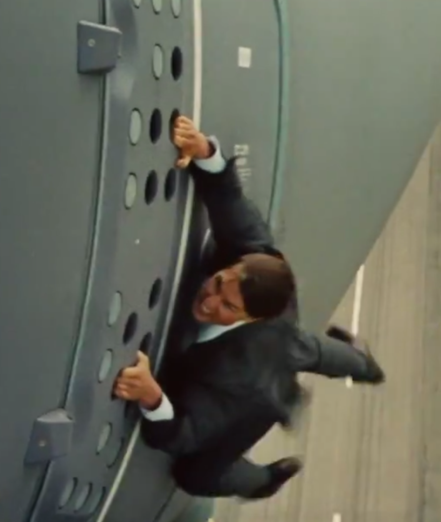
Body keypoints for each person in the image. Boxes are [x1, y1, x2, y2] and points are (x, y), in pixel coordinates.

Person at [112, 115, 385, 501]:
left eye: (227, 305)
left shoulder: (240, 382)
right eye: (218, 283)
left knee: (196, 475)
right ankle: (364, 364)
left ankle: (264, 481)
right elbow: (228, 198)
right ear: (238, 265)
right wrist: (203, 150)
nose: (209, 301)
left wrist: (151, 394)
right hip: (280, 342)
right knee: (314, 351)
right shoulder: (255, 256)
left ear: (252, 316)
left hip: (257, 397)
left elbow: (178, 435)